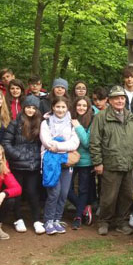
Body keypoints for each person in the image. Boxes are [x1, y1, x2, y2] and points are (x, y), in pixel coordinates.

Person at [89, 85, 133, 236]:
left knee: (127, 196)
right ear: (110, 101)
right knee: (108, 196)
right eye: (116, 98)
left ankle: (122, 222)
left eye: (122, 98)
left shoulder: (130, 116)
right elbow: (94, 141)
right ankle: (104, 221)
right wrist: (98, 162)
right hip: (110, 163)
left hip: (128, 163)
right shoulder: (101, 117)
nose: (120, 101)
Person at [2, 94, 44, 234]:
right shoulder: (15, 123)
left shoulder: (40, 123)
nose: (30, 110)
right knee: (17, 192)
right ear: (23, 108)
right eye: (28, 107)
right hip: (17, 164)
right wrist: (17, 155)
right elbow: (6, 143)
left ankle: (37, 220)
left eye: (33, 108)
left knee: (32, 192)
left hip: (33, 164)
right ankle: (18, 218)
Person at [39, 95, 80, 235]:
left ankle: (57, 219)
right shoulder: (46, 122)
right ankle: (48, 220)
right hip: (50, 162)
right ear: (53, 107)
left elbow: (75, 143)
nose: (60, 110)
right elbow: (47, 142)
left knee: (63, 193)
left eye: (63, 107)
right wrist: (63, 145)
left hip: (66, 162)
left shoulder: (71, 123)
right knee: (54, 192)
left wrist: (58, 145)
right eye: (58, 107)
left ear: (67, 107)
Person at [66, 96, 95, 229]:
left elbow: (87, 143)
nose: (81, 108)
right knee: (67, 189)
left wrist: (77, 126)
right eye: (79, 105)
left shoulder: (92, 120)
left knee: (83, 189)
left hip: (85, 161)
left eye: (84, 105)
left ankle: (78, 216)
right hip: (70, 160)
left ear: (88, 107)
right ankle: (83, 208)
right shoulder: (68, 118)